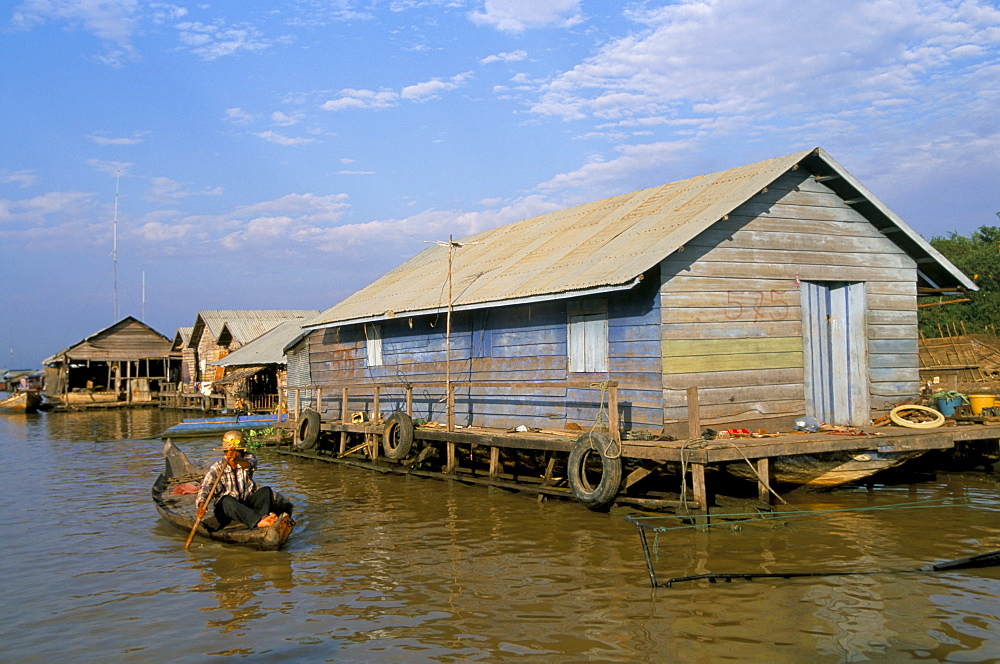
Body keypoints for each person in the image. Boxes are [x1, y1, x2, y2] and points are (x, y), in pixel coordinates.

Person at [196, 430, 280, 529]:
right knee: (226, 500)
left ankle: (263, 517)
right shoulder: (217, 467)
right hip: (227, 509)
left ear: (242, 451)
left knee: (266, 491)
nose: (233, 454)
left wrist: (237, 460)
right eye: (229, 452)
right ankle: (257, 521)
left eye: (237, 451)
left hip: (245, 504)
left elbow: (250, 464)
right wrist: (201, 506)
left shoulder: (248, 457)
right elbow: (205, 488)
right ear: (225, 452)